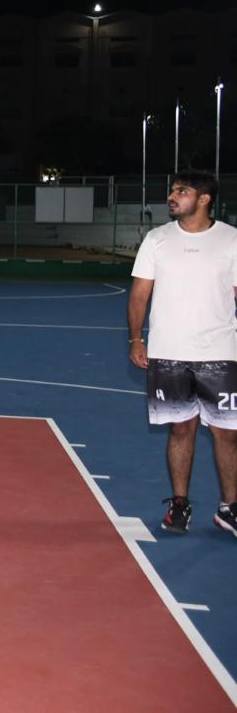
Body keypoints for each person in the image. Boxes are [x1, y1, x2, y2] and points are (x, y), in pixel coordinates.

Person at [127, 170, 237, 539]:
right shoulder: (157, 239)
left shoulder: (231, 239)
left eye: (182, 191)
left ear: (204, 199)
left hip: (220, 352)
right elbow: (139, 294)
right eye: (172, 190)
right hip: (168, 352)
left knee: (228, 433)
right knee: (180, 428)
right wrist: (136, 339)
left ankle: (229, 508)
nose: (172, 196)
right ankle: (180, 504)